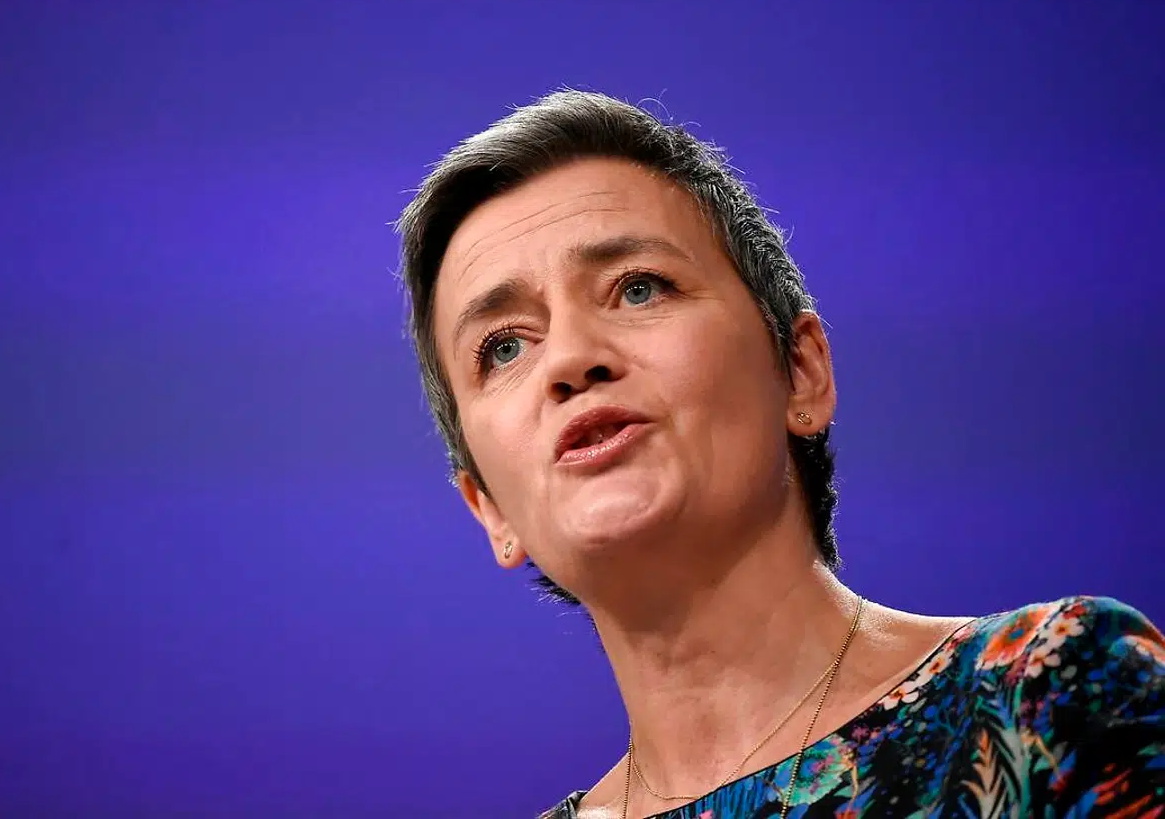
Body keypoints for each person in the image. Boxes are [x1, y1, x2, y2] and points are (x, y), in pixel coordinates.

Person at [394, 90, 1164, 819]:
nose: (570, 359)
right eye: (503, 347)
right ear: (490, 509)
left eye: (638, 289)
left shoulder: (1052, 696)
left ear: (800, 371)